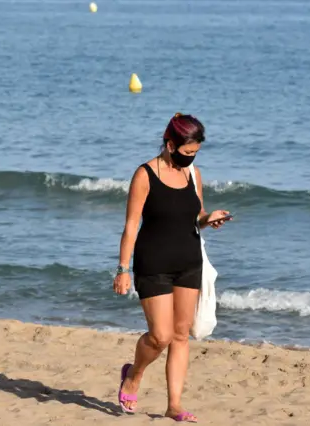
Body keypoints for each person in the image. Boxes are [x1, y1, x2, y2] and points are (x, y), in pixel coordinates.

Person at [113, 113, 231, 422]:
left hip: (189, 262)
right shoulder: (144, 175)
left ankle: (174, 405)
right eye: (187, 152)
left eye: (195, 154)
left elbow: (196, 216)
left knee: (181, 335)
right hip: (153, 264)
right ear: (170, 144)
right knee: (160, 336)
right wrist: (123, 269)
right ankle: (134, 374)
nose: (191, 159)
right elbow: (130, 226)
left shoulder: (193, 175)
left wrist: (209, 219)